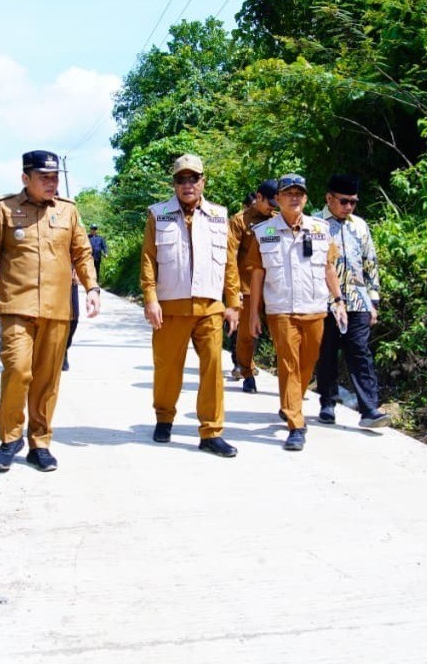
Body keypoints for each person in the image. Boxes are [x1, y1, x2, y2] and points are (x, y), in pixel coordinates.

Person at [0, 150, 100, 473]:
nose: (51, 182)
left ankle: (39, 443)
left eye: (54, 177)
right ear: (25, 178)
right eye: (44, 177)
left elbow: (82, 253)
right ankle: (11, 437)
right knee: (17, 369)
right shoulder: (5, 209)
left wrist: (92, 288)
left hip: (58, 309)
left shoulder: (68, 211)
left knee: (47, 379)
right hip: (17, 306)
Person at [141, 154, 241, 457]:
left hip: (210, 305)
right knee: (168, 368)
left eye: (193, 178)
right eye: (181, 179)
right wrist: (150, 298)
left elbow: (230, 263)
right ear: (174, 184)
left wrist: (233, 302)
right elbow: (148, 259)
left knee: (212, 368)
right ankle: (164, 418)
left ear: (203, 181)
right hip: (171, 305)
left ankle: (211, 432)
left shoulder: (219, 215)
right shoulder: (158, 214)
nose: (188, 184)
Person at [243, 174, 346, 452]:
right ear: (279, 198)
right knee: (288, 364)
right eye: (288, 193)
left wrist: (338, 300)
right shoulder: (263, 232)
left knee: (307, 363)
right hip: (281, 311)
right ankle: (295, 425)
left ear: (306, 197)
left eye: (299, 193)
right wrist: (254, 314)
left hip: (314, 309)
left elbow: (328, 268)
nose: (294, 198)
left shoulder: (321, 229)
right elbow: (256, 276)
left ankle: (292, 403)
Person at [315, 174, 391, 427]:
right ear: (329, 198)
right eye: (344, 201)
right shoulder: (315, 225)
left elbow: (371, 263)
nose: (349, 206)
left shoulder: (360, 226)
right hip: (325, 302)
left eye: (353, 202)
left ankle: (369, 409)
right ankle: (327, 401)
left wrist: (374, 300)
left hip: (358, 301)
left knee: (359, 352)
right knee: (327, 353)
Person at [226, 178, 278, 393]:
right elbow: (230, 258)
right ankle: (247, 372)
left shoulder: (280, 219)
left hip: (275, 286)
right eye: (270, 203)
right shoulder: (240, 221)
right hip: (247, 287)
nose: (274, 208)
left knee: (282, 334)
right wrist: (233, 290)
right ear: (259, 197)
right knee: (247, 335)